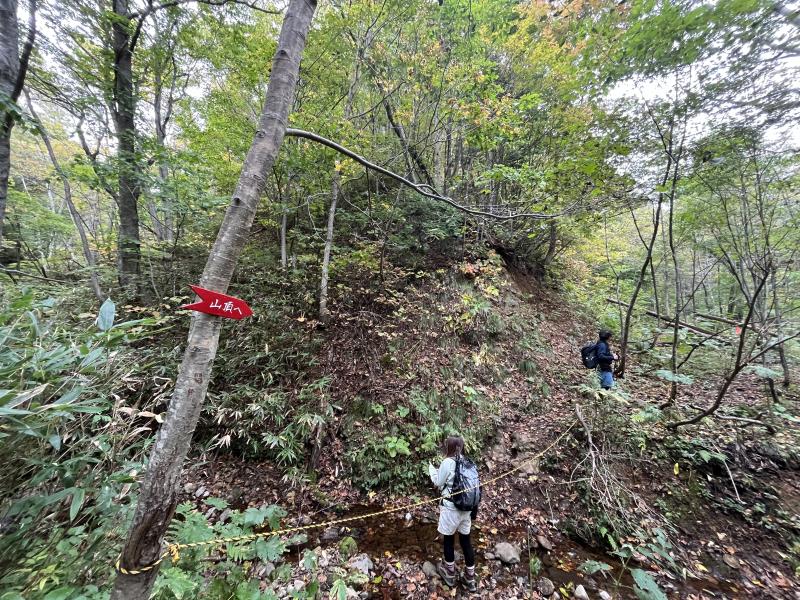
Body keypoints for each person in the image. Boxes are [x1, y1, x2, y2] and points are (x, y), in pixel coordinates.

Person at [430, 435, 477, 592]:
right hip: (467, 508)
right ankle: (470, 577)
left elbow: (438, 483)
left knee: (448, 540)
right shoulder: (468, 462)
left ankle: (449, 573)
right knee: (466, 541)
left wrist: (432, 472)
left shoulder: (447, 462)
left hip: (451, 508)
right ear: (462, 447)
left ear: (449, 447)